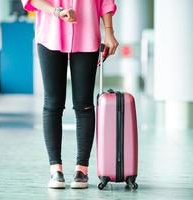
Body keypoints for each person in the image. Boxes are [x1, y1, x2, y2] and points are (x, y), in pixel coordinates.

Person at [21, 0, 118, 189]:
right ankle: (55, 169)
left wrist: (109, 32)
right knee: (53, 103)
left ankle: (82, 170)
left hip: (87, 32)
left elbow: (106, 2)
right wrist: (56, 11)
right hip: (50, 32)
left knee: (84, 104)